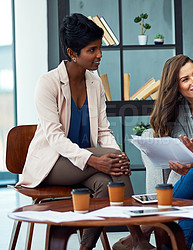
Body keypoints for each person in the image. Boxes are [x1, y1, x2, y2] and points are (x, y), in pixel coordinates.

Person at [16, 13, 138, 250]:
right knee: (111, 164)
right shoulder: (47, 83)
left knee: (106, 182)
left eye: (99, 48)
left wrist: (116, 155)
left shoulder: (95, 83)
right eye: (91, 50)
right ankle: (138, 239)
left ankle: (85, 247)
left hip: (84, 163)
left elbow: (103, 130)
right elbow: (54, 136)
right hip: (53, 164)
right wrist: (96, 159)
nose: (99, 55)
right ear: (72, 53)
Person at [113, 54, 193, 249]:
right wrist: (189, 153)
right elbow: (183, 148)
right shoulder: (180, 110)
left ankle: (148, 226)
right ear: (176, 87)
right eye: (185, 79)